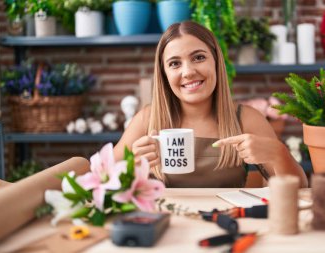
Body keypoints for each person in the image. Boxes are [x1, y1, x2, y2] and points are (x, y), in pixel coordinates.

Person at [114, 21, 308, 188]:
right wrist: (130, 168)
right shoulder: (147, 119)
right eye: (174, 63)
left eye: (199, 58)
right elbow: (101, 178)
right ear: (164, 74)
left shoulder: (246, 119)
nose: (188, 72)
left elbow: (300, 187)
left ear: (216, 62)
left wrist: (278, 153)